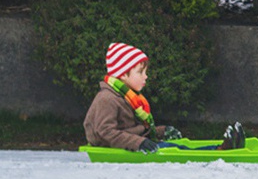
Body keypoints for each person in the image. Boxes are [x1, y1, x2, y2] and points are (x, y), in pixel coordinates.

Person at [84, 42, 245, 153]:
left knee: (172, 146)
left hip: (131, 144)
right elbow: (105, 132)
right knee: (173, 149)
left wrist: (161, 131)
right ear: (123, 75)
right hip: (117, 149)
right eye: (140, 72)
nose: (145, 77)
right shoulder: (107, 99)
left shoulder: (126, 96)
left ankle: (222, 146)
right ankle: (220, 150)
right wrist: (138, 143)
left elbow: (136, 129)